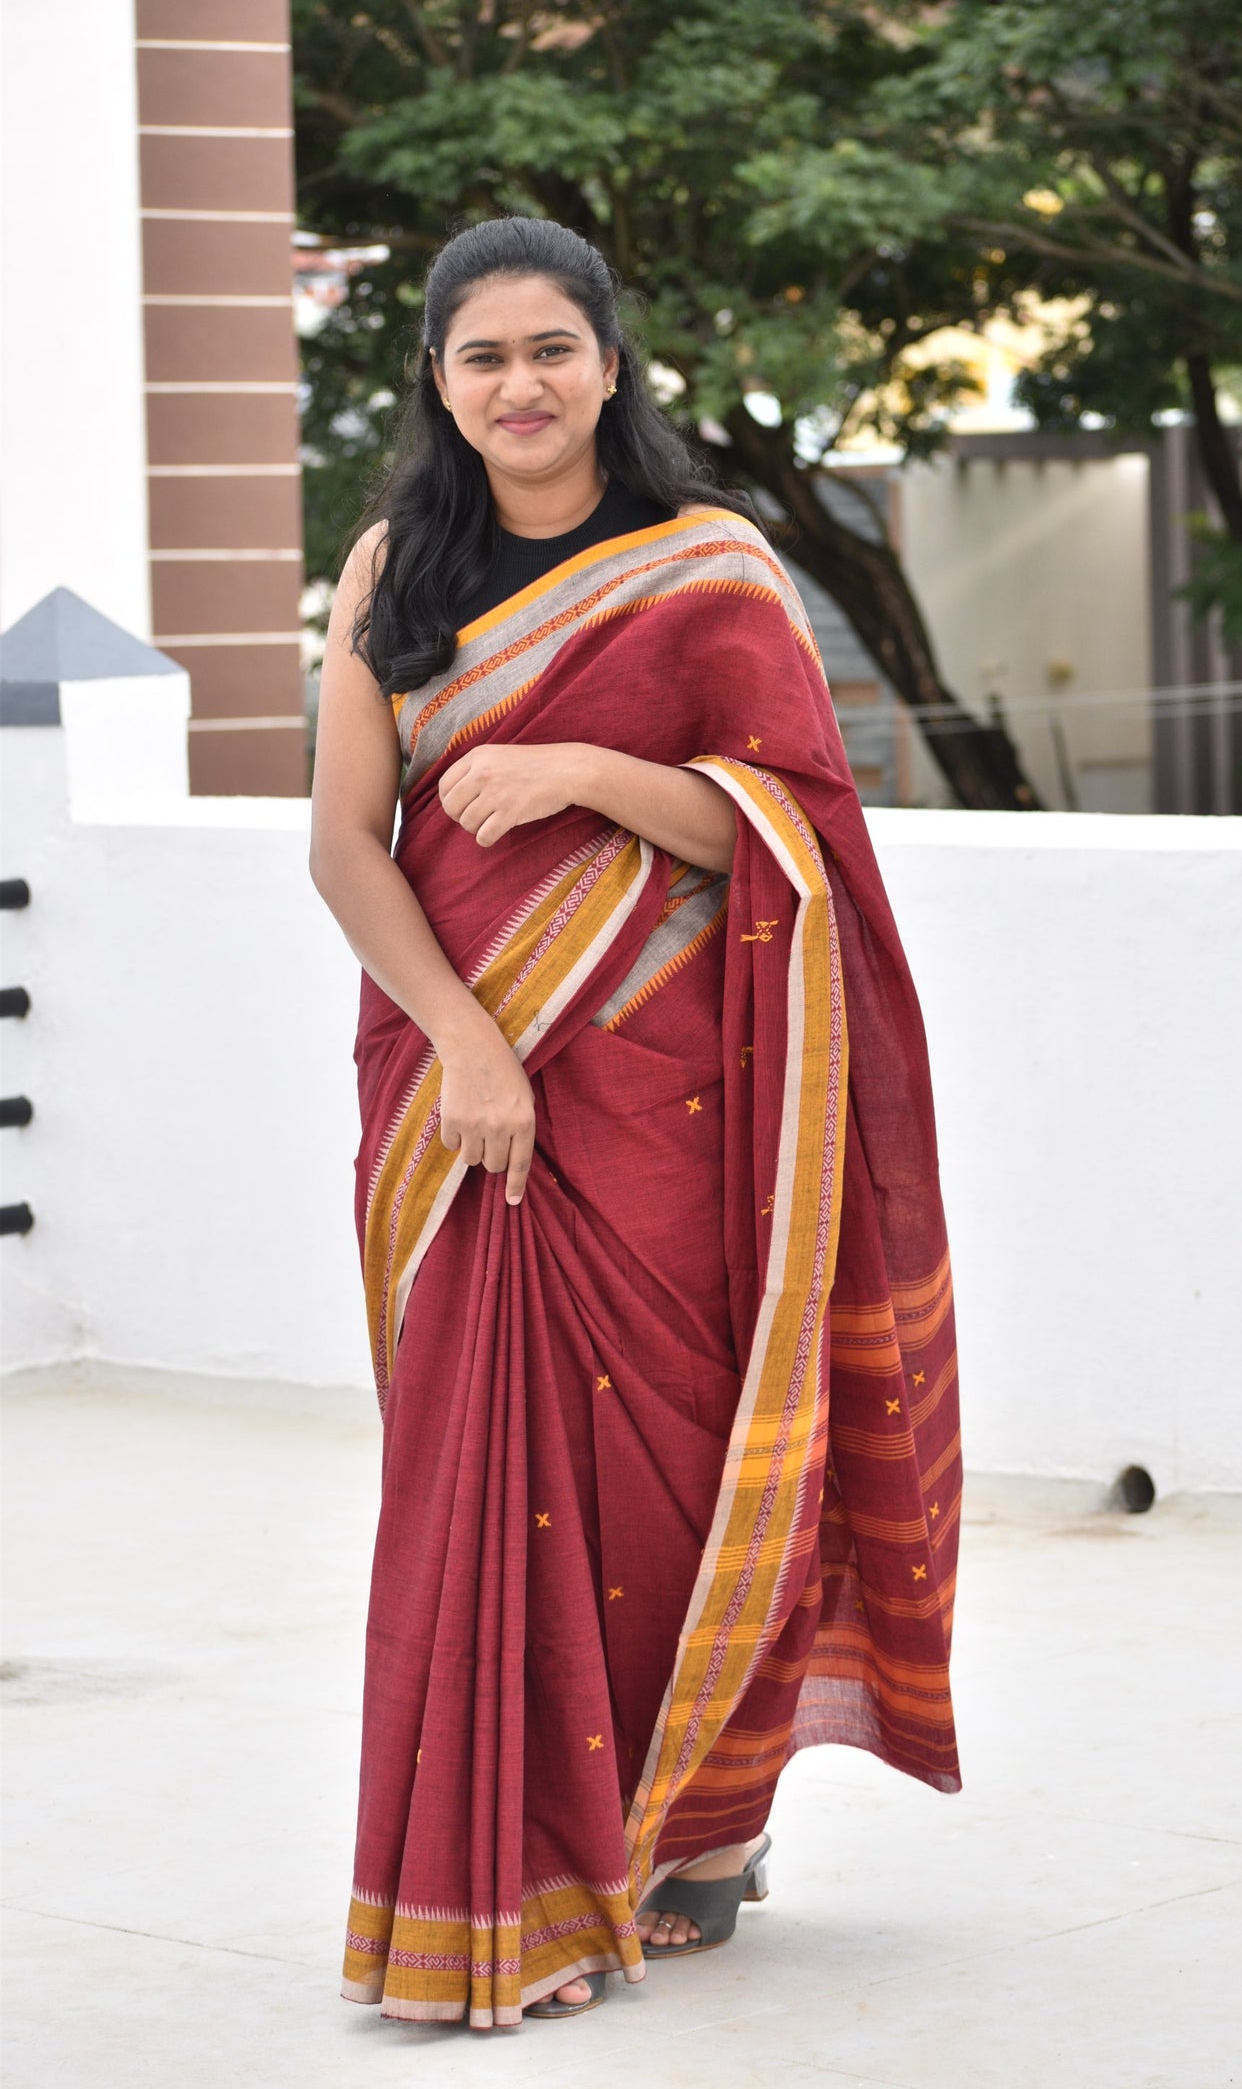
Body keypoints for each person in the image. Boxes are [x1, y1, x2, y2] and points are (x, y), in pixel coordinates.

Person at [309, 215, 962, 2029]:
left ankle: (690, 1834)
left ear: (610, 361)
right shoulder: (394, 567)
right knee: (474, 1474)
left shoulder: (709, 569)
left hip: (665, 1092)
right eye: (479, 357)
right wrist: (468, 1045)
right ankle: (504, 1860)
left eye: (550, 350)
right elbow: (344, 847)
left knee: (663, 1463)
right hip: (458, 1088)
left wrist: (592, 772)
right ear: (437, 381)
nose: (519, 386)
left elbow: (799, 836)